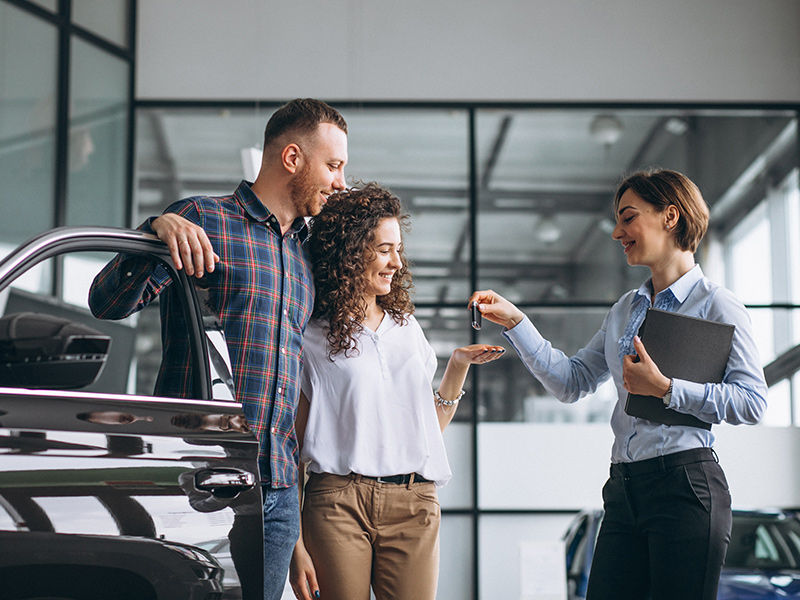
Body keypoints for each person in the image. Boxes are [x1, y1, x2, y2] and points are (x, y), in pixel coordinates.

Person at [88, 98, 348, 600]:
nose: (340, 181)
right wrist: (154, 231)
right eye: (333, 165)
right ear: (292, 158)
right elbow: (107, 303)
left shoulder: (307, 255)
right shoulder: (202, 219)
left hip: (275, 491)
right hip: (202, 482)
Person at [469, 169, 767, 600]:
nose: (616, 232)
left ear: (670, 216)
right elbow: (572, 381)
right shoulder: (626, 309)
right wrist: (517, 322)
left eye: (628, 218)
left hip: (685, 487)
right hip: (624, 490)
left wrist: (666, 388)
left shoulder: (717, 305)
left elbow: (753, 402)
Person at [289, 184, 504, 600]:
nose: (396, 262)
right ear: (350, 253)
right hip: (337, 503)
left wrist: (457, 366)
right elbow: (293, 448)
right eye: (385, 250)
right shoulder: (311, 337)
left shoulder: (408, 331)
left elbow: (427, 429)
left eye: (398, 250)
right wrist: (295, 545)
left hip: (414, 501)